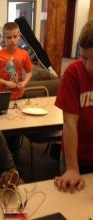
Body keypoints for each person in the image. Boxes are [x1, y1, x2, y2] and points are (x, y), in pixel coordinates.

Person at [54, 19, 93, 193]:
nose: (89, 67)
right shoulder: (73, 73)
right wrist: (72, 168)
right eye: (84, 58)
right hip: (77, 156)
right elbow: (70, 123)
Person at [0, 22, 33, 101]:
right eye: (9, 37)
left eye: (15, 36)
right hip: (2, 95)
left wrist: (24, 82)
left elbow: (29, 71)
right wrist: (5, 82)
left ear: (19, 36)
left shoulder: (24, 54)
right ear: (3, 38)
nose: (12, 40)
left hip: (20, 94)